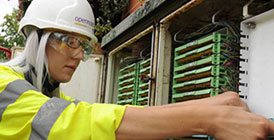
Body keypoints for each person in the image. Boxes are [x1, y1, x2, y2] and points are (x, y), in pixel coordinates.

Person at [0, 0, 273, 139]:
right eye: (70, 41)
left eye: (82, 44)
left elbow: (101, 114)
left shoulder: (49, 96)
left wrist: (210, 105)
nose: (80, 54)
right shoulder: (3, 83)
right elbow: (73, 120)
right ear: (38, 38)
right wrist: (208, 120)